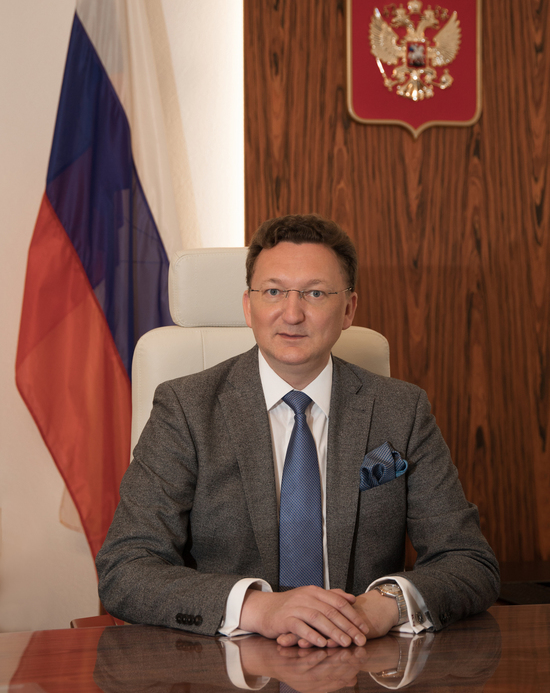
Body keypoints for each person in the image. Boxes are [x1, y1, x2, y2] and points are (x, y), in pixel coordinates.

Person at [96, 214, 499, 649]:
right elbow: (126, 567)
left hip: (361, 653)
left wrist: (383, 606)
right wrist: (259, 608)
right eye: (273, 292)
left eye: (315, 293)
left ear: (348, 310)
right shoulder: (186, 409)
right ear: (248, 306)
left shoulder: (401, 410)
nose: (292, 314)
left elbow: (469, 560)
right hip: (229, 660)